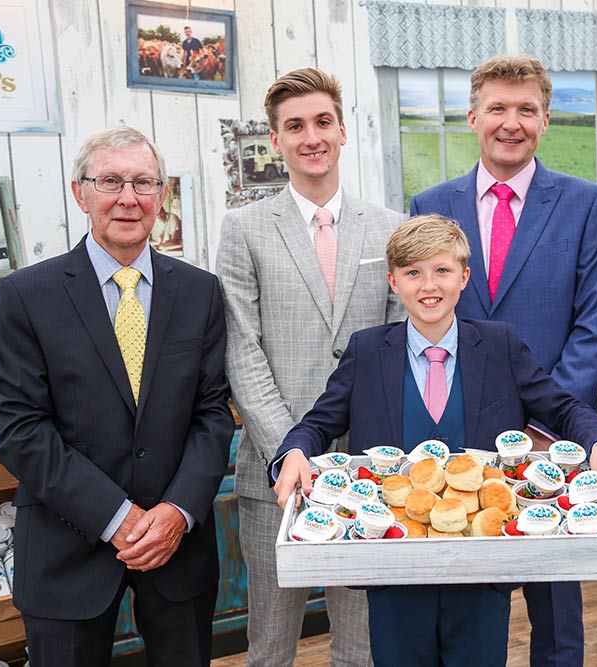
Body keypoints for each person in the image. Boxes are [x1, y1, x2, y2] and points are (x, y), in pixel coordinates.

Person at [270, 214, 597, 667]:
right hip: (395, 571)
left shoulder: (500, 345)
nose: (428, 285)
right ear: (392, 282)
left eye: (441, 270)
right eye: (413, 272)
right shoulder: (366, 351)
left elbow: (563, 408)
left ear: (464, 276)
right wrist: (296, 451)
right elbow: (318, 423)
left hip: (482, 570)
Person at [0, 126, 234, 667]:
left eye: (143, 182)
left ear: (161, 194)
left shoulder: (200, 292)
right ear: (81, 193)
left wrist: (176, 512)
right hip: (65, 547)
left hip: (177, 547)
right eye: (111, 181)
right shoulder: (25, 297)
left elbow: (213, 414)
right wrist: (117, 516)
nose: (128, 198)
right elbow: (19, 431)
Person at [409, 54, 597, 667]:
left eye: (526, 109)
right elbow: (426, 315)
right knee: (468, 601)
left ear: (546, 120)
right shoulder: (432, 202)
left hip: (554, 438)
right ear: (472, 116)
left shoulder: (586, 204)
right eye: (498, 108)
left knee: (556, 609)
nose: (511, 122)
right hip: (461, 439)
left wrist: (543, 423)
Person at [216, 67, 404, 667]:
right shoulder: (243, 229)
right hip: (275, 476)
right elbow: (241, 350)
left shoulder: (389, 227)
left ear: (343, 130)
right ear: (275, 141)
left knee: (362, 644)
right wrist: (289, 449)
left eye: (323, 122)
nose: (311, 136)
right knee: (270, 645)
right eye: (294, 126)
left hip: (366, 467)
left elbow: (398, 346)